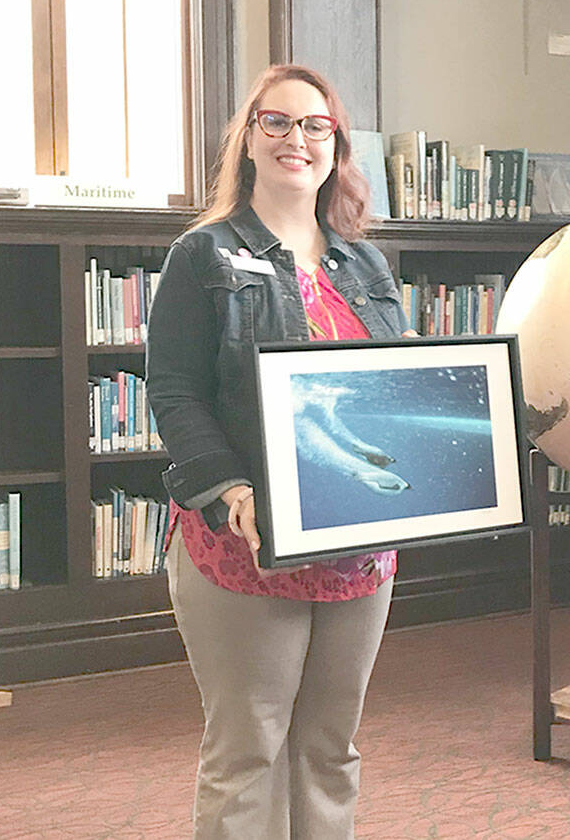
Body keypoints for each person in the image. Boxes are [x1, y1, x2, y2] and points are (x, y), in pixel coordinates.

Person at [147, 64, 413, 838]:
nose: (297, 139)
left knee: (330, 750)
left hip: (358, 547)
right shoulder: (203, 255)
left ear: (337, 145)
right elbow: (174, 392)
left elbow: (392, 391)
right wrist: (231, 491)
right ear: (250, 138)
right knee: (248, 752)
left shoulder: (366, 264)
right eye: (278, 122)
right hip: (244, 544)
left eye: (315, 125)